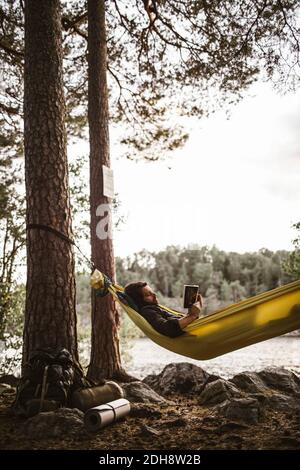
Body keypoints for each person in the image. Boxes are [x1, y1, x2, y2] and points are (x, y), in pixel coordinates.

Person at [124, 282, 203, 338]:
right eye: (148, 295)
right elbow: (169, 329)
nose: (154, 295)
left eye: (152, 292)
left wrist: (191, 313)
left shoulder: (155, 308)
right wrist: (193, 316)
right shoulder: (148, 311)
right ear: (139, 300)